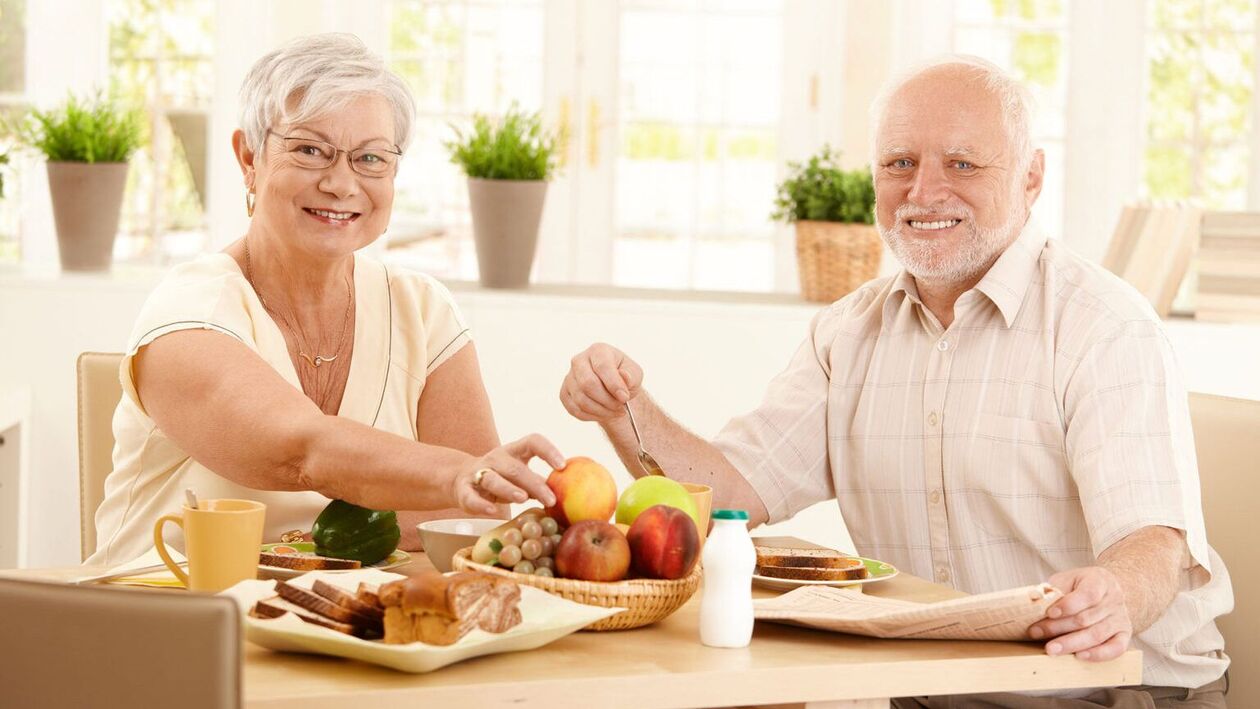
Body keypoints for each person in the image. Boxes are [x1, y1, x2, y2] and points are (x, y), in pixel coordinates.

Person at [559, 56, 1231, 708]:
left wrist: (1113, 590)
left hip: (1113, 689)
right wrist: (624, 409)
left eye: (962, 163)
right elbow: (728, 497)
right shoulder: (848, 332)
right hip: (934, 685)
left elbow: (1156, 540)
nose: (923, 192)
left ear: (1031, 178)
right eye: (899, 164)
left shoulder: (1104, 326)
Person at [88, 33, 561, 566]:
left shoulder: (422, 310)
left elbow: (471, 524)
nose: (341, 183)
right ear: (250, 157)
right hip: (171, 623)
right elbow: (302, 451)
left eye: (370, 159)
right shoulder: (188, 313)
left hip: (352, 631)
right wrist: (452, 475)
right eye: (310, 150)